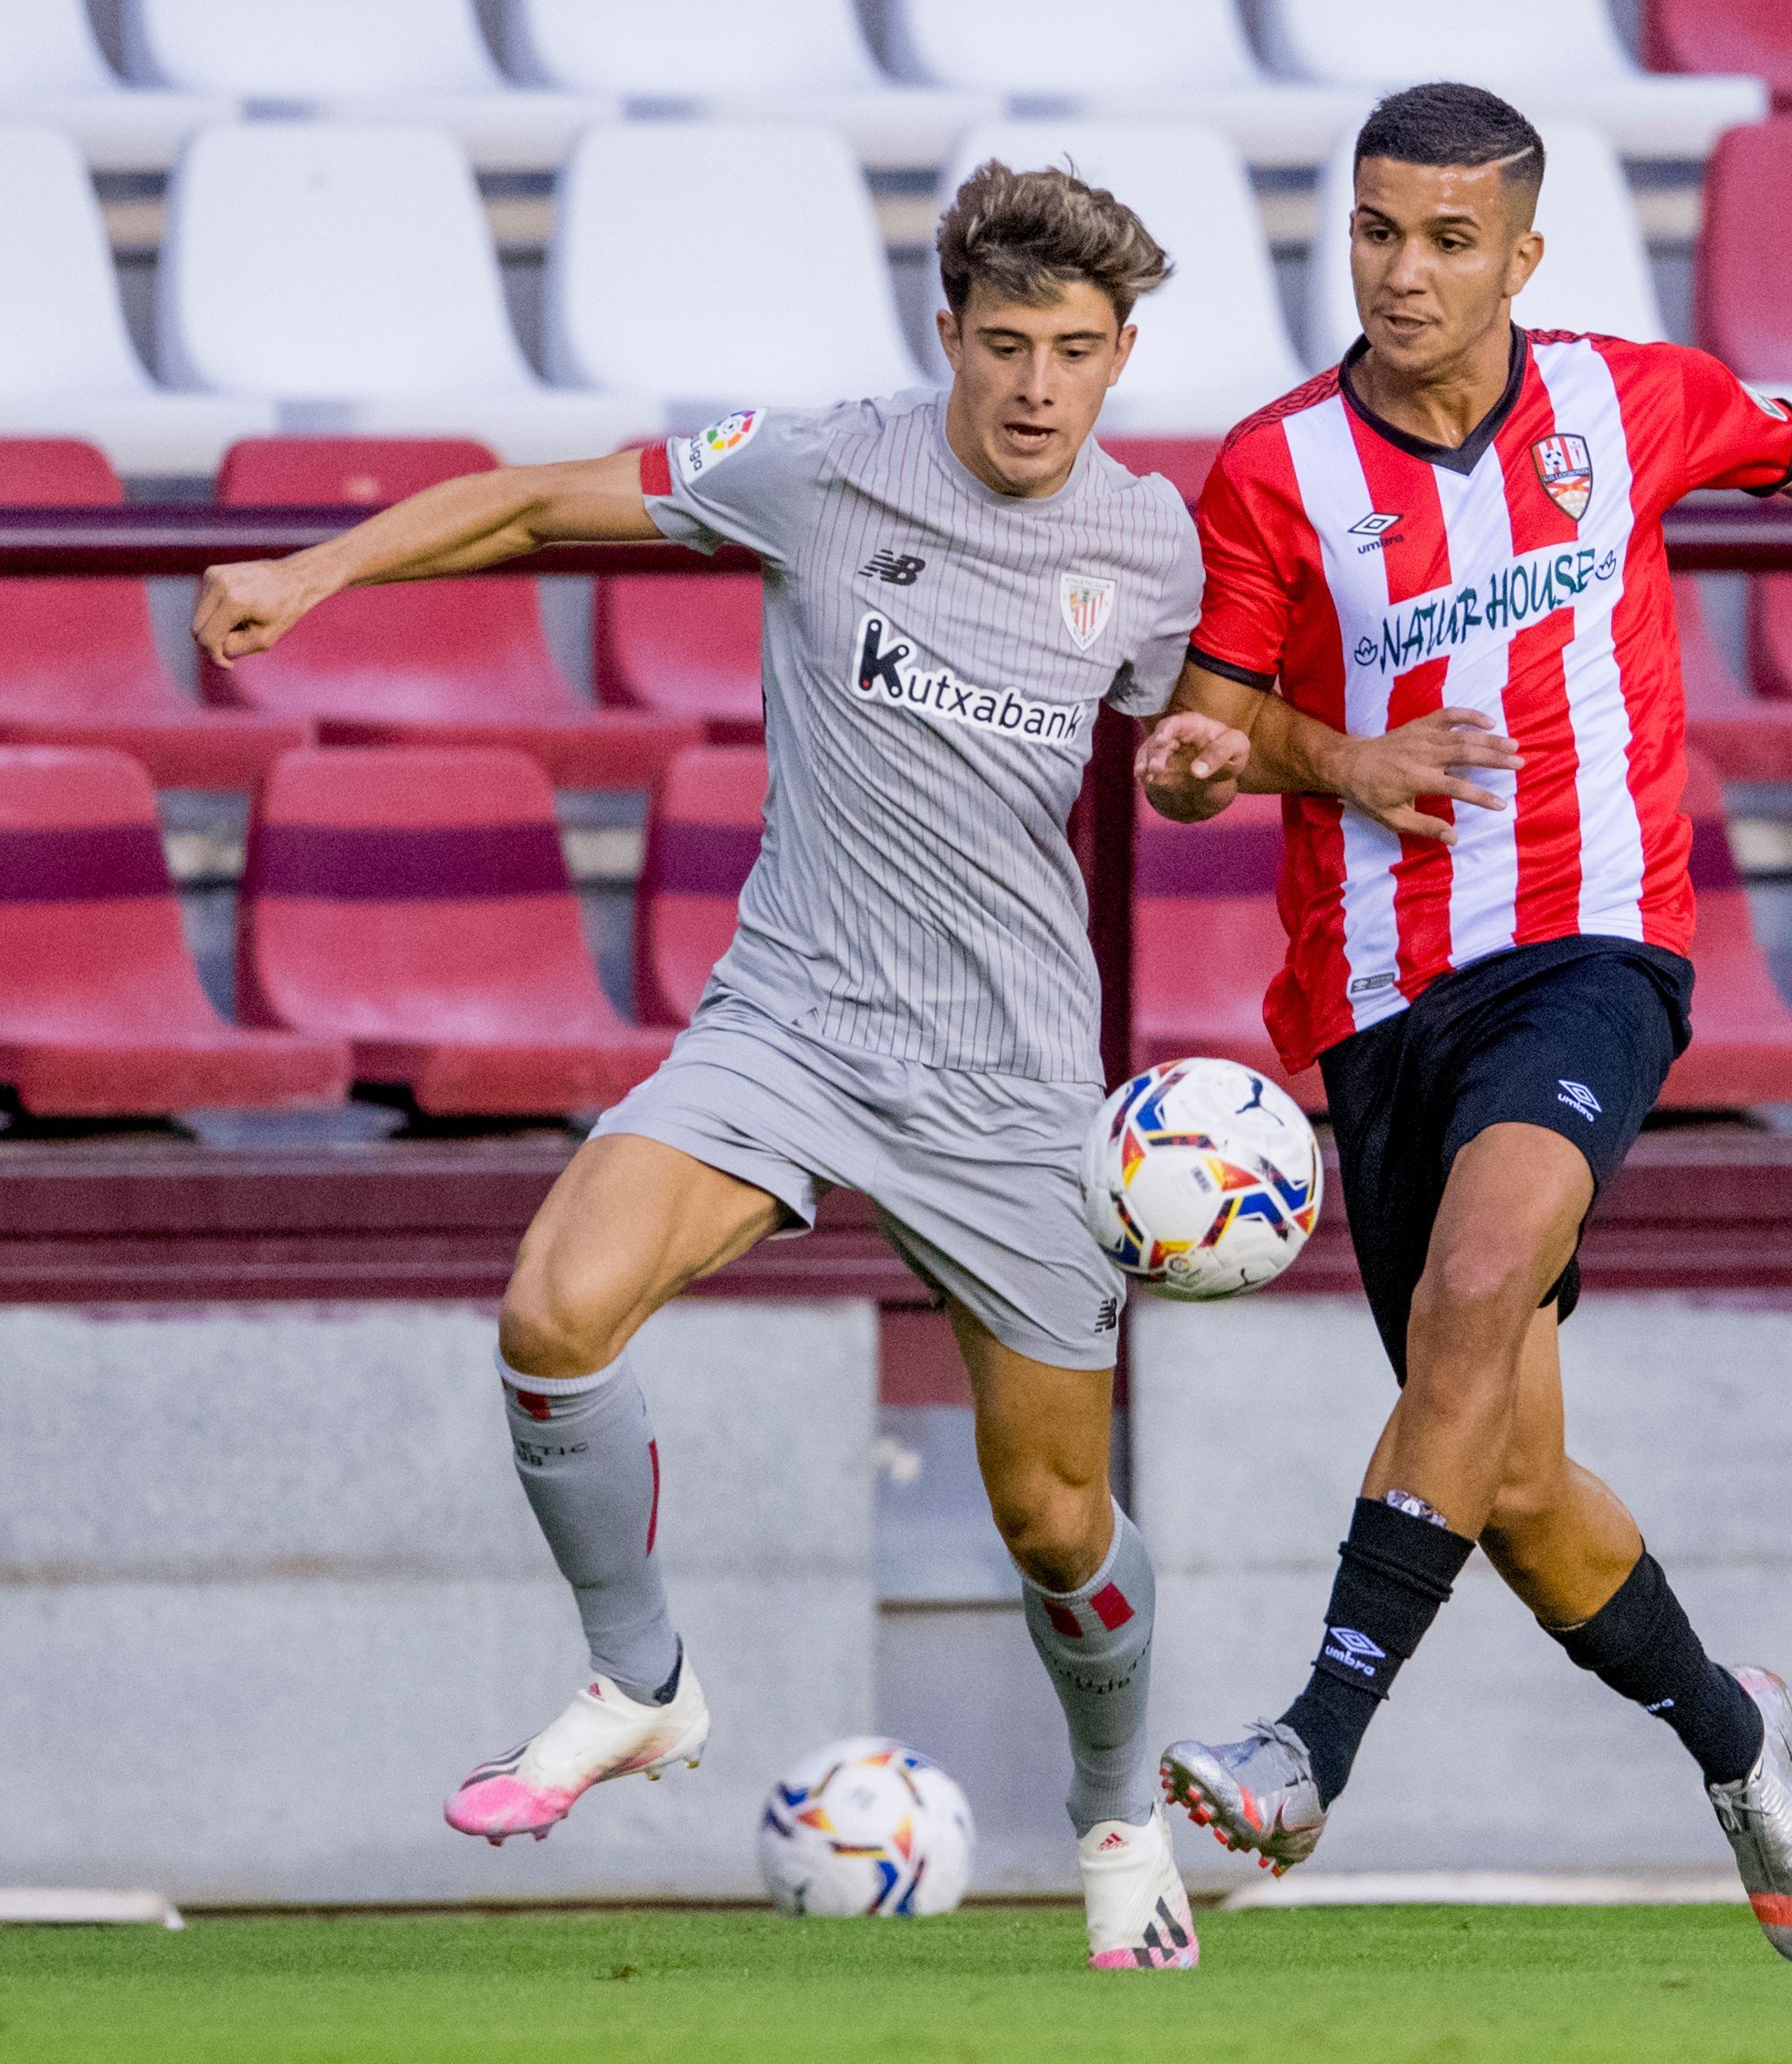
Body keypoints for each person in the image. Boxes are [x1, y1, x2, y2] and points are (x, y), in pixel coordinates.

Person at [193, 162, 1210, 1974]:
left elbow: (1207, 723)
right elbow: (526, 506)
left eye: (1074, 350)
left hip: (1012, 1081)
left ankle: (1122, 1812)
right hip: (793, 1026)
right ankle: (640, 1679)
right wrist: (315, 566)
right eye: (1005, 346)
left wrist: (1231, 765)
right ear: (947, 338)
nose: (1038, 386)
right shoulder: (817, 467)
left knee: (1055, 1521)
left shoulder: (1150, 548)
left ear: (1124, 353)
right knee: (553, 1311)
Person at [1137, 83, 1792, 1964]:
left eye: (1450, 240)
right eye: (1380, 231)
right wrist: (1311, 757)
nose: (1407, 272)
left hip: (1595, 950)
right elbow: (1204, 744)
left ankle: (1312, 1749)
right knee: (1517, 1483)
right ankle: (1739, 1736)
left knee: (1481, 1283)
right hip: (1377, 1000)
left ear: (1524, 257)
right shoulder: (1271, 471)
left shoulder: (1625, 402)